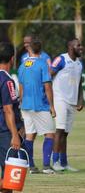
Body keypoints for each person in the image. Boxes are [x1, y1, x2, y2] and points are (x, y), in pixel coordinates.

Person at [18, 39, 56, 174]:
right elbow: (47, 86)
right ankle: (46, 166)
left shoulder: (22, 66)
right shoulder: (42, 64)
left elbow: (21, 87)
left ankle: (31, 166)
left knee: (30, 135)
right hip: (39, 104)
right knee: (50, 134)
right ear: (40, 50)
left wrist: (21, 103)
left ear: (29, 50)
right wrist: (52, 106)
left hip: (25, 105)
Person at [51, 38, 83, 172]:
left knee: (65, 133)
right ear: (70, 47)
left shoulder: (79, 64)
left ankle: (64, 162)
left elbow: (80, 82)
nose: (81, 47)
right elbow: (49, 75)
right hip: (59, 99)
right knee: (59, 130)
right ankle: (54, 161)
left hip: (71, 102)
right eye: (78, 45)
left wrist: (80, 100)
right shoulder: (61, 59)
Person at [0, 42, 23, 193]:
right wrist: (15, 135)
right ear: (12, 59)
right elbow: (8, 110)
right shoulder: (7, 80)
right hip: (4, 132)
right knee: (10, 179)